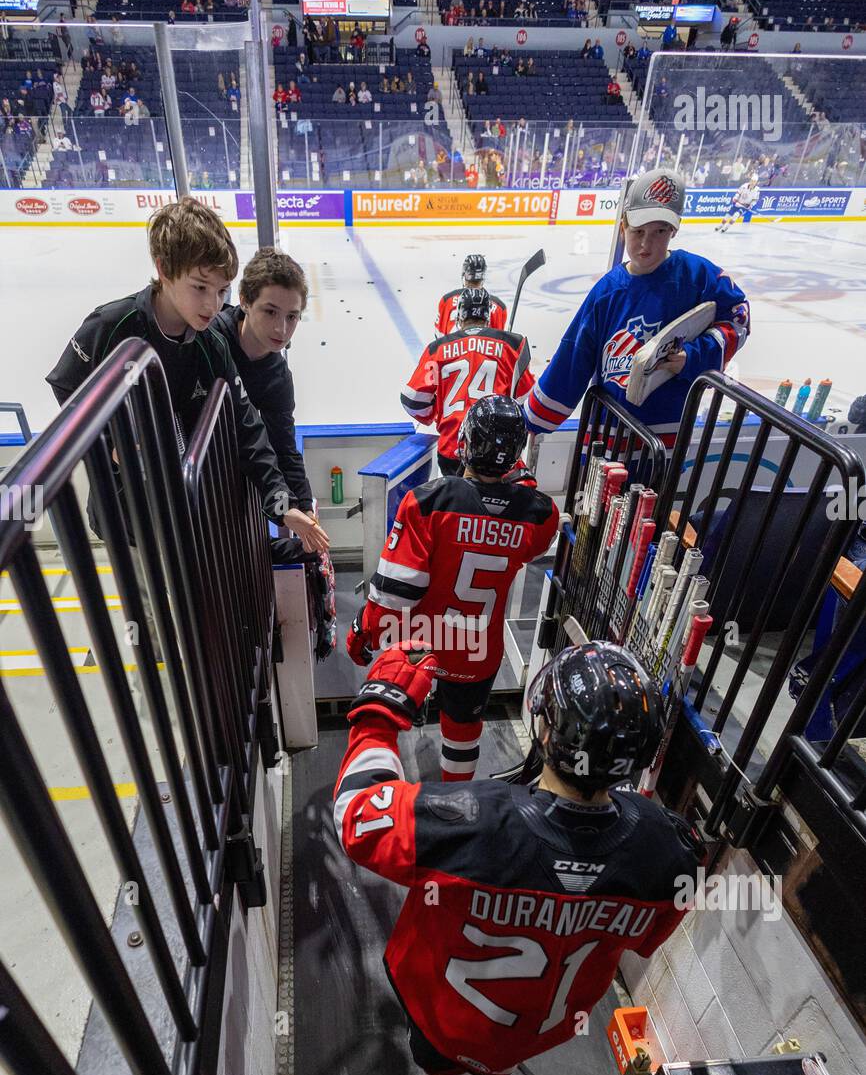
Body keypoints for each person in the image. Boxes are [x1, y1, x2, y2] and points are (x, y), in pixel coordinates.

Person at [334, 638, 702, 1075]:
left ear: (548, 730)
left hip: (448, 1020)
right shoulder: (670, 852)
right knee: (492, 1063)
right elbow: (645, 939)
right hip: (541, 1026)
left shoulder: (470, 821)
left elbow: (358, 815)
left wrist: (380, 709)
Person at [46, 198, 320, 554]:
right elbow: (67, 388)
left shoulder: (212, 346)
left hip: (187, 519)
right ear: (163, 269)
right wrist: (109, 442)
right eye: (200, 287)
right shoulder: (111, 326)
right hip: (128, 523)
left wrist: (285, 508)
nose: (212, 304)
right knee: (149, 607)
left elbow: (249, 429)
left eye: (221, 291)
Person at [347, 395, 558, 784]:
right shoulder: (540, 514)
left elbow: (395, 593)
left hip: (422, 643)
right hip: (479, 651)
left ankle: (384, 792)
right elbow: (528, 531)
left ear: (465, 443)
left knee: (383, 718)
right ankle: (455, 802)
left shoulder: (429, 501)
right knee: (463, 730)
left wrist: (364, 629)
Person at [525, 168, 751, 451]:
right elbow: (573, 358)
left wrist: (693, 357)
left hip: (663, 442)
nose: (646, 244)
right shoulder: (608, 291)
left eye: (659, 231)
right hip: (604, 439)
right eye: (638, 231)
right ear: (623, 227)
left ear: (674, 229)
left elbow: (739, 320)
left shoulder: (698, 276)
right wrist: (531, 420)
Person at [214, 247, 325, 550]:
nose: (282, 328)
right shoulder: (210, 342)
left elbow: (284, 448)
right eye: (270, 312)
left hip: (230, 493)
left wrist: (305, 510)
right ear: (246, 301)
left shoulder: (277, 376)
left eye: (292, 316)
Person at [405, 287, 532, 478]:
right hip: (497, 450)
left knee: (456, 505)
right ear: (488, 315)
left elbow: (412, 400)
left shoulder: (438, 348)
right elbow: (526, 401)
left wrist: (434, 414)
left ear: (459, 316)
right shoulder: (513, 345)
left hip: (452, 448)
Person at [435, 252, 507, 337]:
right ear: (483, 276)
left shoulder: (447, 300)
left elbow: (439, 335)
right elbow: (499, 342)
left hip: (453, 347)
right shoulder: (499, 306)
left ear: (464, 274)